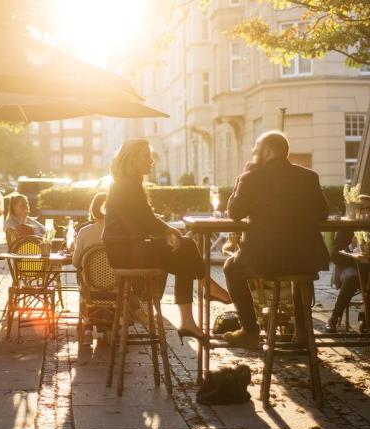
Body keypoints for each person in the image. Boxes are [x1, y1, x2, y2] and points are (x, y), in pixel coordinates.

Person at [102, 138, 230, 342]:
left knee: (184, 256)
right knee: (186, 245)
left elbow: (142, 220)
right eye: (146, 155)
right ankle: (205, 287)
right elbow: (146, 221)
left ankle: (192, 314)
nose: (151, 160)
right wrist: (171, 231)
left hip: (126, 250)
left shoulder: (127, 183)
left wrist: (166, 234)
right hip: (125, 253)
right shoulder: (127, 185)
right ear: (132, 159)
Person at [223, 131, 329, 348]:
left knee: (230, 267)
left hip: (266, 259)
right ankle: (302, 333)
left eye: (255, 151)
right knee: (300, 276)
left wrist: (244, 174)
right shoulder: (309, 177)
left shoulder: (251, 177)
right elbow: (322, 214)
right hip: (306, 258)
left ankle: (250, 332)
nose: (254, 155)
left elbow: (233, 212)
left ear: (267, 151)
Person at [325, 193, 370, 332]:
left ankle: (365, 316)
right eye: (361, 209)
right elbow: (335, 256)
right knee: (352, 278)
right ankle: (334, 317)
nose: (365, 213)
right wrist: (351, 248)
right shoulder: (347, 226)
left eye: (368, 209)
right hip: (348, 266)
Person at [72, 192, 106, 273]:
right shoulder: (121, 232)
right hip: (118, 283)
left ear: (93, 209)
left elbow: (75, 263)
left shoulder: (84, 231)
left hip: (89, 282)